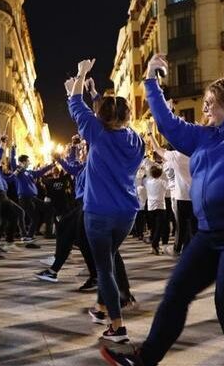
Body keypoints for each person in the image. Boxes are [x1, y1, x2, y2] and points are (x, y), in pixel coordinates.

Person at [101, 10, 224, 365]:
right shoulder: (202, 137)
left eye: (211, 97)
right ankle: (145, 360)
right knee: (176, 291)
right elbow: (167, 123)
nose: (205, 104)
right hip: (210, 233)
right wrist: (149, 81)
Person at [66, 62, 144, 343]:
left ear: (100, 117)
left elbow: (75, 102)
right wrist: (94, 93)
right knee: (108, 259)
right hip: (128, 213)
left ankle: (117, 326)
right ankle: (101, 308)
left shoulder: (96, 132)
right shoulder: (136, 140)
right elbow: (105, 113)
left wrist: (81, 73)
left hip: (98, 212)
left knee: (104, 268)